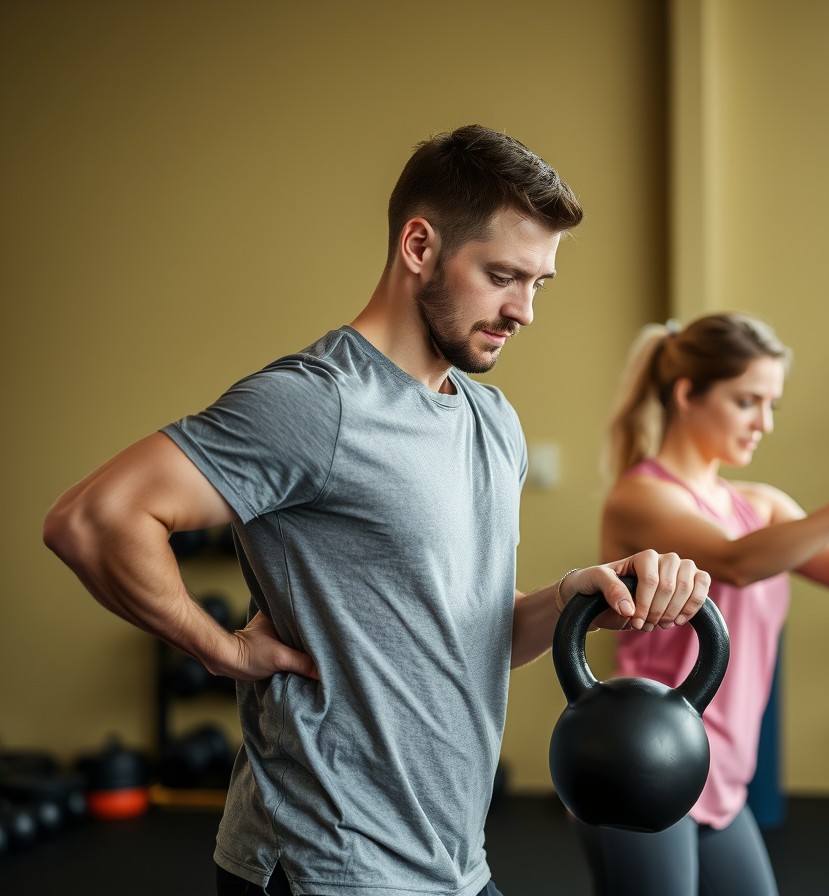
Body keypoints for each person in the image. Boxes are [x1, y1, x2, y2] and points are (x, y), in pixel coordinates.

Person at [42, 125, 711, 896]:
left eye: (538, 282)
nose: (524, 309)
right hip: (329, 865)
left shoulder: (493, 421)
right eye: (502, 275)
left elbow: (471, 632)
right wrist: (217, 649)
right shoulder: (318, 403)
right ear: (419, 247)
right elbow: (94, 519)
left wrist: (574, 602)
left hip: (452, 862)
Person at [575, 313, 829, 896]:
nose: (764, 423)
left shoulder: (761, 505)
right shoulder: (640, 497)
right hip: (644, 757)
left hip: (722, 771)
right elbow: (738, 563)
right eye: (748, 402)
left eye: (772, 405)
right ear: (688, 394)